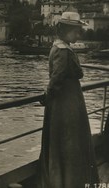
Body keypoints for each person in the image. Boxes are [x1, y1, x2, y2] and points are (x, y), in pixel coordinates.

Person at [37, 11, 99, 188]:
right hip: (67, 102)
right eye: (76, 31)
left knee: (65, 139)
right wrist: (49, 96)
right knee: (68, 139)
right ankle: (68, 180)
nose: (78, 35)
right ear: (65, 31)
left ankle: (65, 178)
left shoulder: (61, 47)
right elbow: (57, 78)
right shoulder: (63, 50)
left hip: (66, 100)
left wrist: (49, 97)